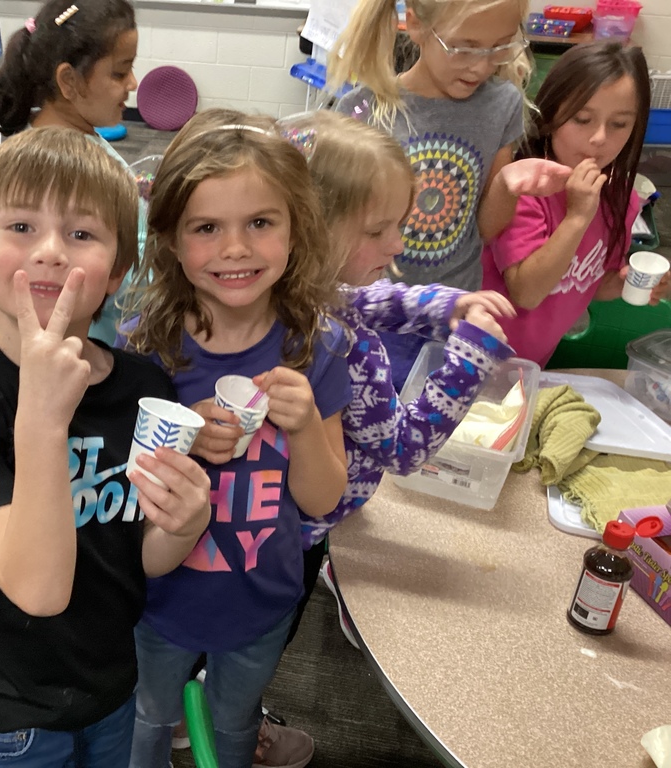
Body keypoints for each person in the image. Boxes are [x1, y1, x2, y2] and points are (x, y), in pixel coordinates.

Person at [0, 127, 211, 768]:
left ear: (117, 272)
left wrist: (186, 523)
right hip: (6, 711)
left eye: (81, 234)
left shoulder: (145, 387)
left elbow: (144, 558)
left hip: (109, 688)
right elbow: (38, 590)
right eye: (20, 226)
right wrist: (43, 421)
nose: (49, 251)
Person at [121, 109, 350, 768]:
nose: (235, 249)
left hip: (261, 598)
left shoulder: (318, 348)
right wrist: (179, 433)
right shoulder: (146, 346)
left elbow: (320, 498)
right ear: (169, 239)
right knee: (147, 716)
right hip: (158, 599)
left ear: (294, 227)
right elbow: (112, 487)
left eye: (260, 222)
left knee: (234, 722)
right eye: (206, 228)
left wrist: (304, 424)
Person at [276, 111, 516, 642]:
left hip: (282, 514)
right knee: (267, 638)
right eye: (379, 230)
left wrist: (442, 305)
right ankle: (235, 721)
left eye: (400, 225)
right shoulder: (343, 348)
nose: (399, 244)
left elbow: (365, 300)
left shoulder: (302, 297)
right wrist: (471, 356)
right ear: (315, 226)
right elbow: (403, 449)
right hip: (299, 534)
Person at [328, 0, 566, 387]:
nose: (480, 66)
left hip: (453, 311)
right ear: (416, 25)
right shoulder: (362, 111)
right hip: (371, 314)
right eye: (464, 47)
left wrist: (507, 184)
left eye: (498, 47)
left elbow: (487, 228)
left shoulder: (501, 104)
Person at [482, 41, 664, 367]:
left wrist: (627, 283)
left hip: (532, 364)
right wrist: (578, 217)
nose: (599, 138)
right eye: (582, 119)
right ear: (552, 113)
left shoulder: (621, 196)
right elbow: (526, 292)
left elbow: (592, 283)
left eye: (619, 124)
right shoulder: (525, 186)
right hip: (475, 357)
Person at [0, 0, 142, 346]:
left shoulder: (83, 142)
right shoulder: (53, 170)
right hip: (74, 350)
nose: (132, 82)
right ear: (69, 81)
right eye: (119, 72)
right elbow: (125, 279)